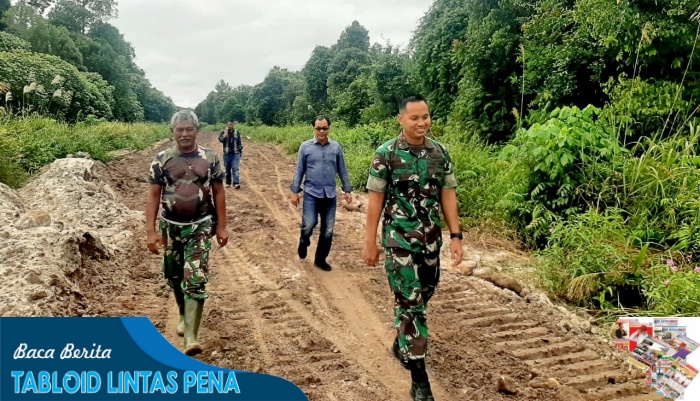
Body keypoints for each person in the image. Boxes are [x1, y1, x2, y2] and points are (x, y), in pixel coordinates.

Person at [363, 95, 464, 401]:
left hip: (431, 239)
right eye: (414, 118)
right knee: (411, 304)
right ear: (401, 120)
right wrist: (371, 242)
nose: (422, 123)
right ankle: (419, 380)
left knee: (427, 289)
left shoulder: (439, 152)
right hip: (399, 241)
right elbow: (375, 202)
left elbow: (448, 194)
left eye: (426, 117)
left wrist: (456, 236)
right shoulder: (386, 154)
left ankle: (401, 340)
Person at [146, 110, 228, 356]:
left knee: (194, 279)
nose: (184, 134)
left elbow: (219, 192)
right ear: (172, 132)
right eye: (180, 129)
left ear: (197, 130)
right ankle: (182, 314)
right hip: (170, 227)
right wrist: (150, 231)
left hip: (200, 225)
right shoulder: (161, 159)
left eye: (189, 129)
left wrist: (222, 225)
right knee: (173, 276)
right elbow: (153, 195)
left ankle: (191, 337)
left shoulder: (211, 158)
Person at [290, 115, 352, 271]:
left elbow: (342, 170)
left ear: (329, 129)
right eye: (318, 128)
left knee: (328, 229)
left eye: (325, 128)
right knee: (309, 224)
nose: (322, 131)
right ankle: (304, 240)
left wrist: (347, 190)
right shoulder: (305, 147)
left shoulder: (336, 147)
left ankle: (320, 259)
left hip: (330, 194)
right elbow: (299, 170)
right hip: (311, 193)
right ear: (314, 129)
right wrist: (295, 192)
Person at [218, 121, 243, 189]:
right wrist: (226, 133)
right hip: (227, 154)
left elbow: (239, 143)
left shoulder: (236, 132)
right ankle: (228, 183)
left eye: (232, 124)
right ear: (227, 125)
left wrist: (240, 152)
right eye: (229, 124)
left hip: (235, 153)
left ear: (233, 125)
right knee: (227, 169)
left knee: (235, 169)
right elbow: (221, 140)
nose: (230, 125)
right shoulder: (223, 132)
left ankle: (236, 183)